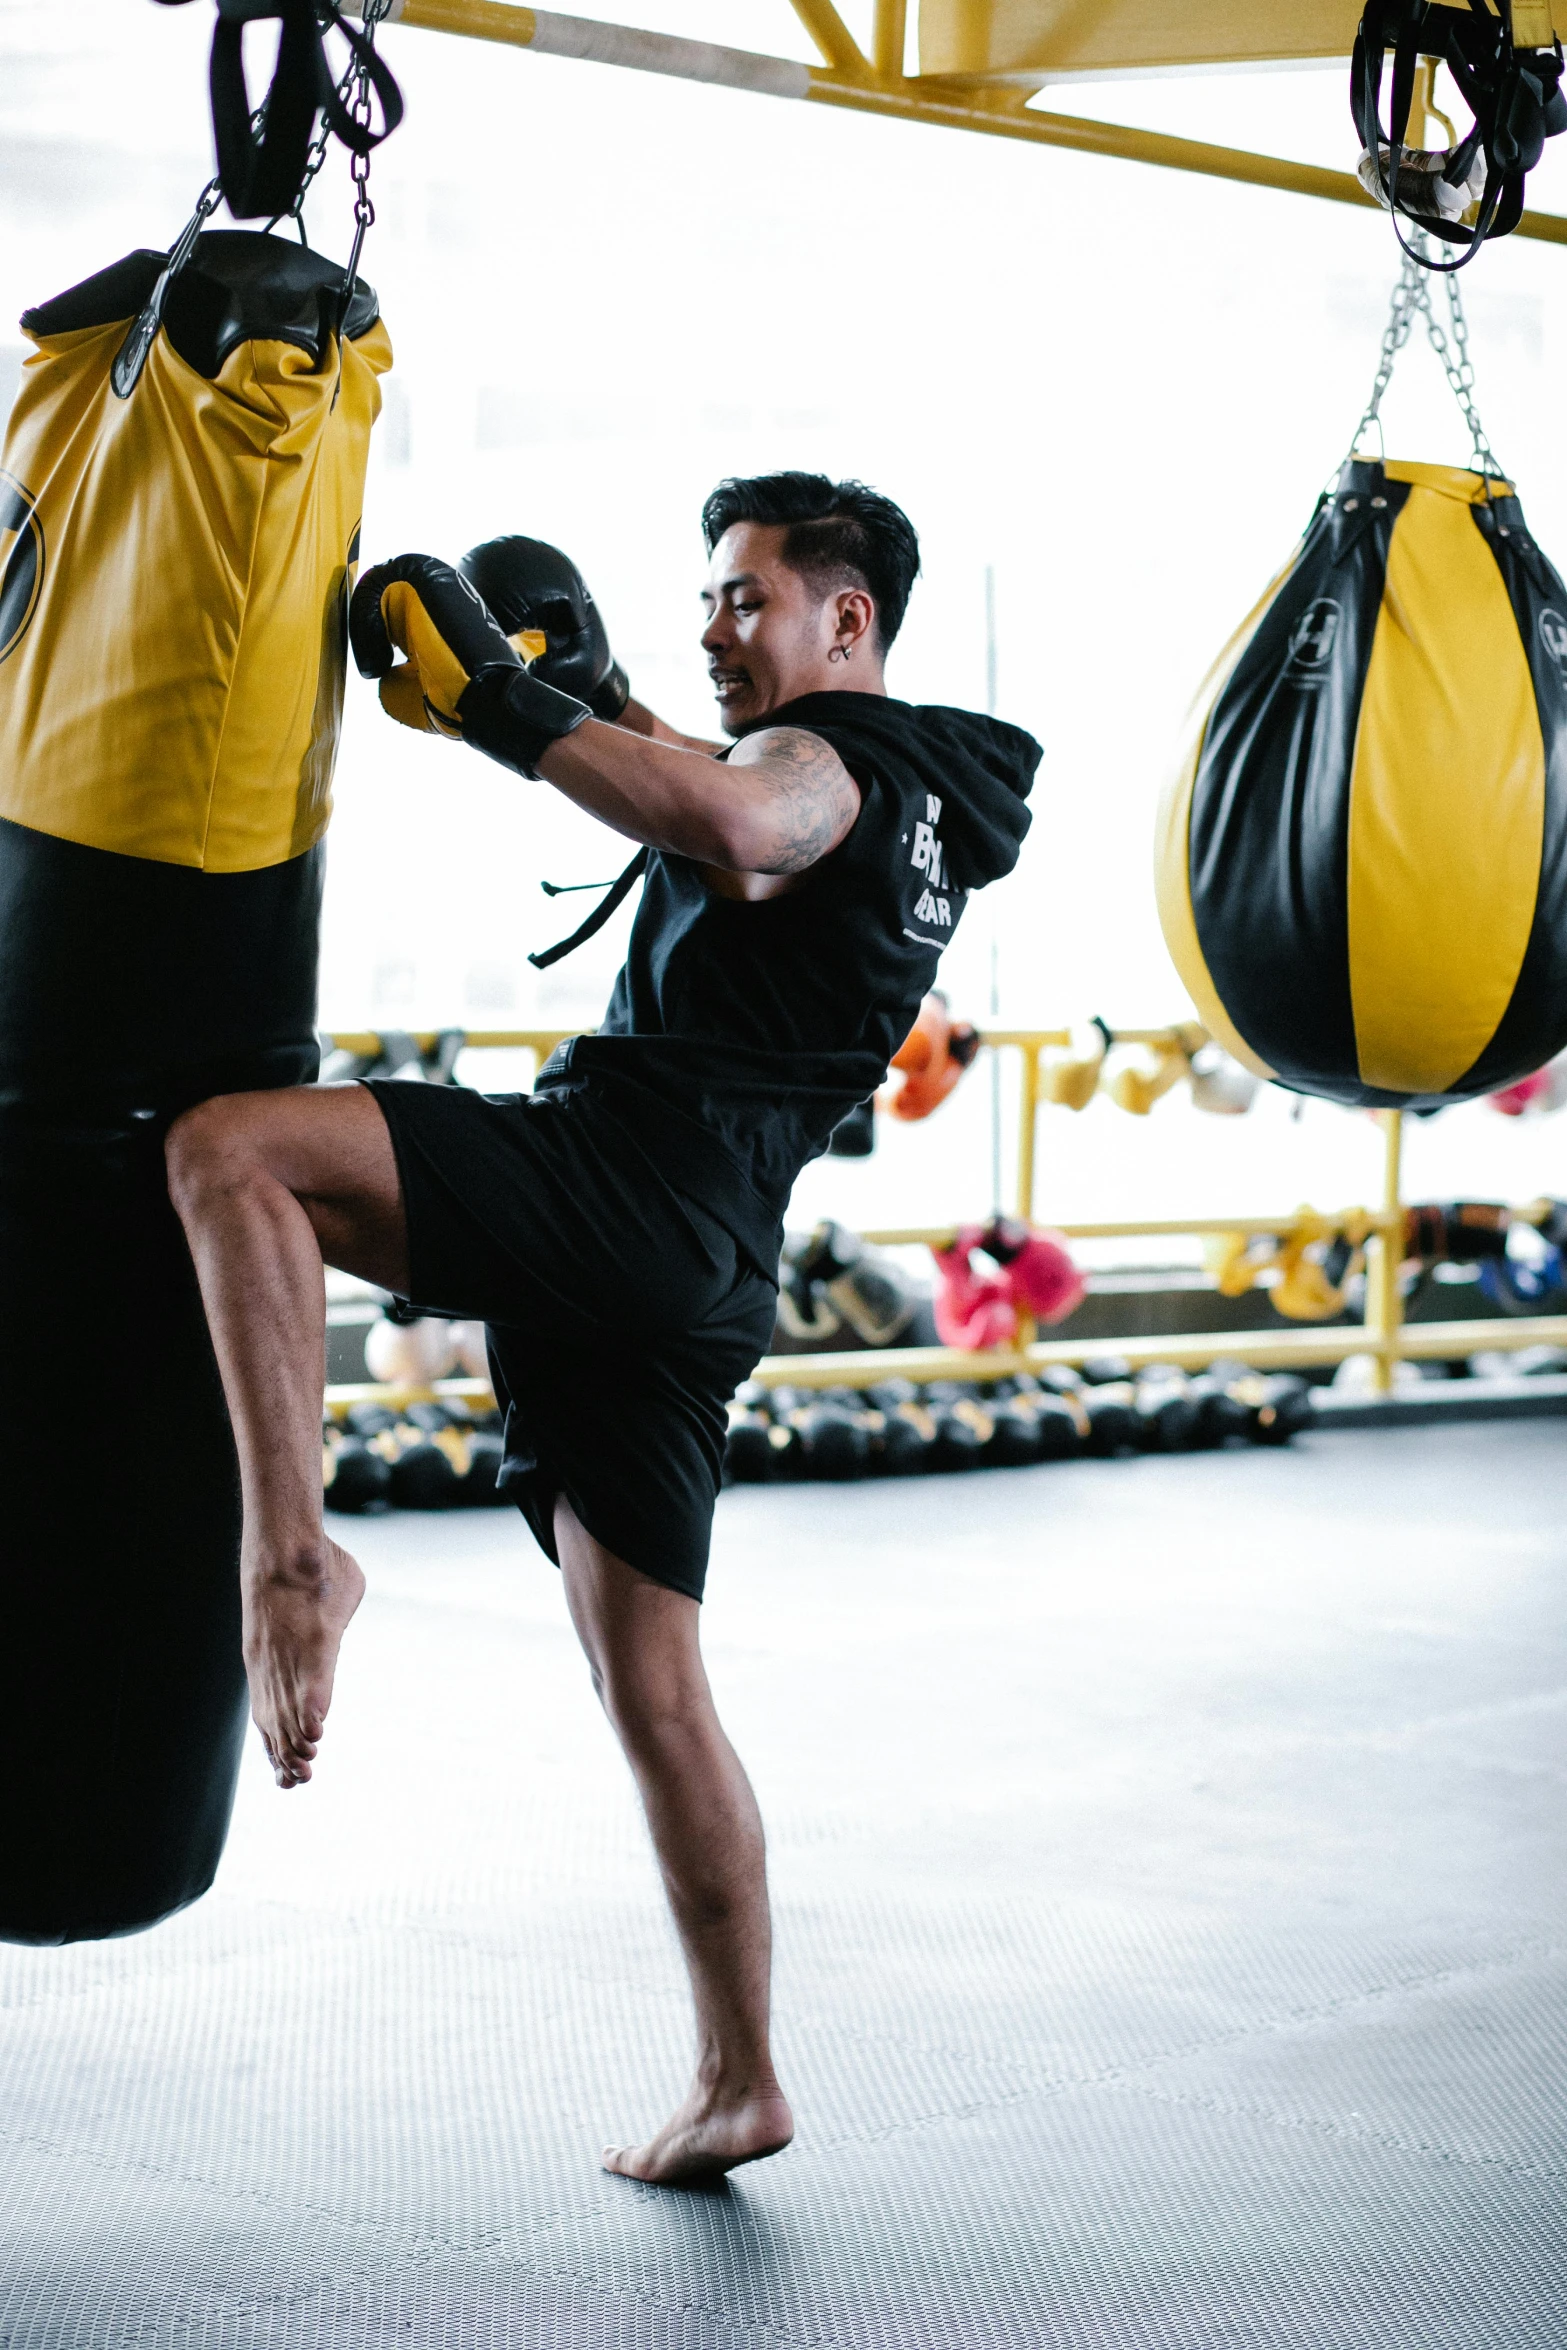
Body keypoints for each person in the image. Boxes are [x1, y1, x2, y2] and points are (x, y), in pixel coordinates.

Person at [166, 471, 1040, 2185]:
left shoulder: (829, 766)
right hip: (705, 1261)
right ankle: (741, 2076)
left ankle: (291, 1559)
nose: (717, 626)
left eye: (744, 598)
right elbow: (706, 792)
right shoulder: (916, 798)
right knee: (657, 1689)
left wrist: (498, 704)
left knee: (229, 1149)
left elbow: (743, 824)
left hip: (623, 1180)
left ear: (842, 619)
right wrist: (568, 692)